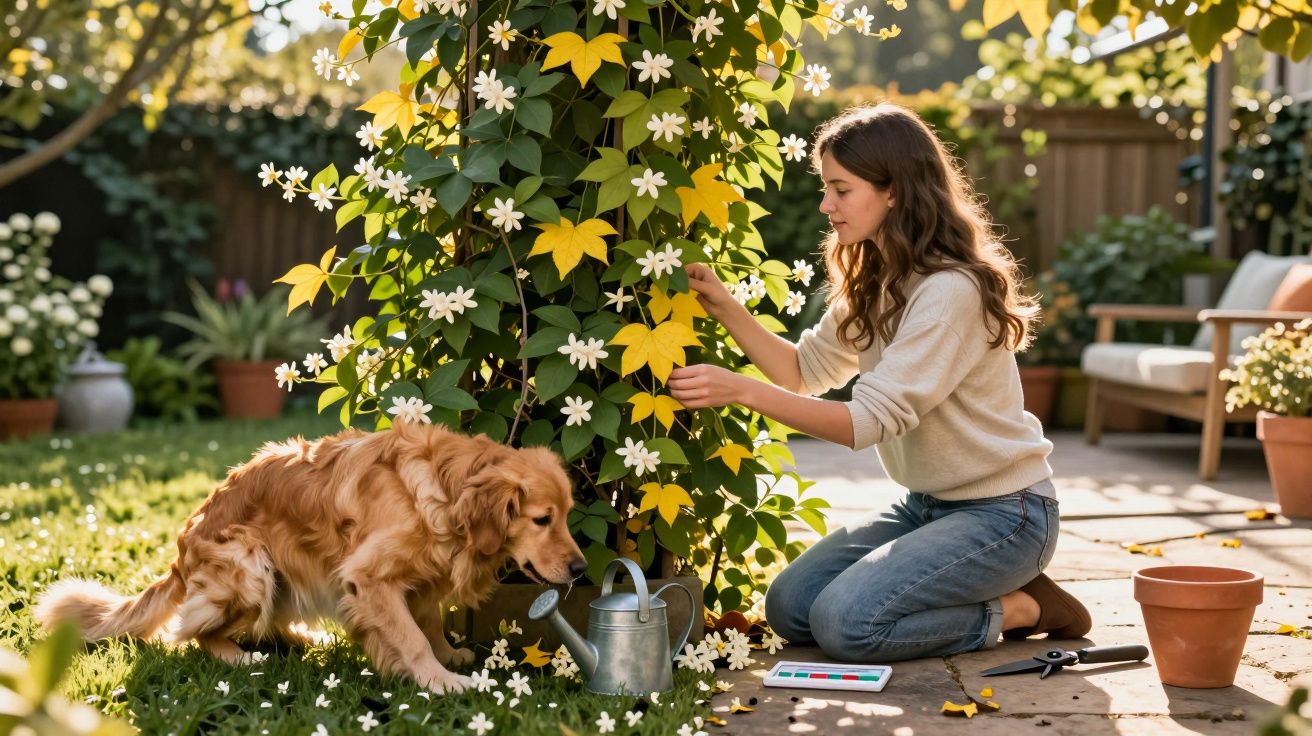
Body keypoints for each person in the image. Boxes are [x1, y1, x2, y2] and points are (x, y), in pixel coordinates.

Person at [666, 102, 1091, 663]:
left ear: (893, 191)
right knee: (791, 607)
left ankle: (1023, 608)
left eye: (841, 189)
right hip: (925, 507)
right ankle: (968, 583)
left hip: (1005, 515)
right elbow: (803, 372)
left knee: (847, 625)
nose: (827, 205)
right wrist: (725, 306)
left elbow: (864, 423)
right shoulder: (879, 278)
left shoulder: (950, 292)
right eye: (826, 188)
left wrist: (741, 390)